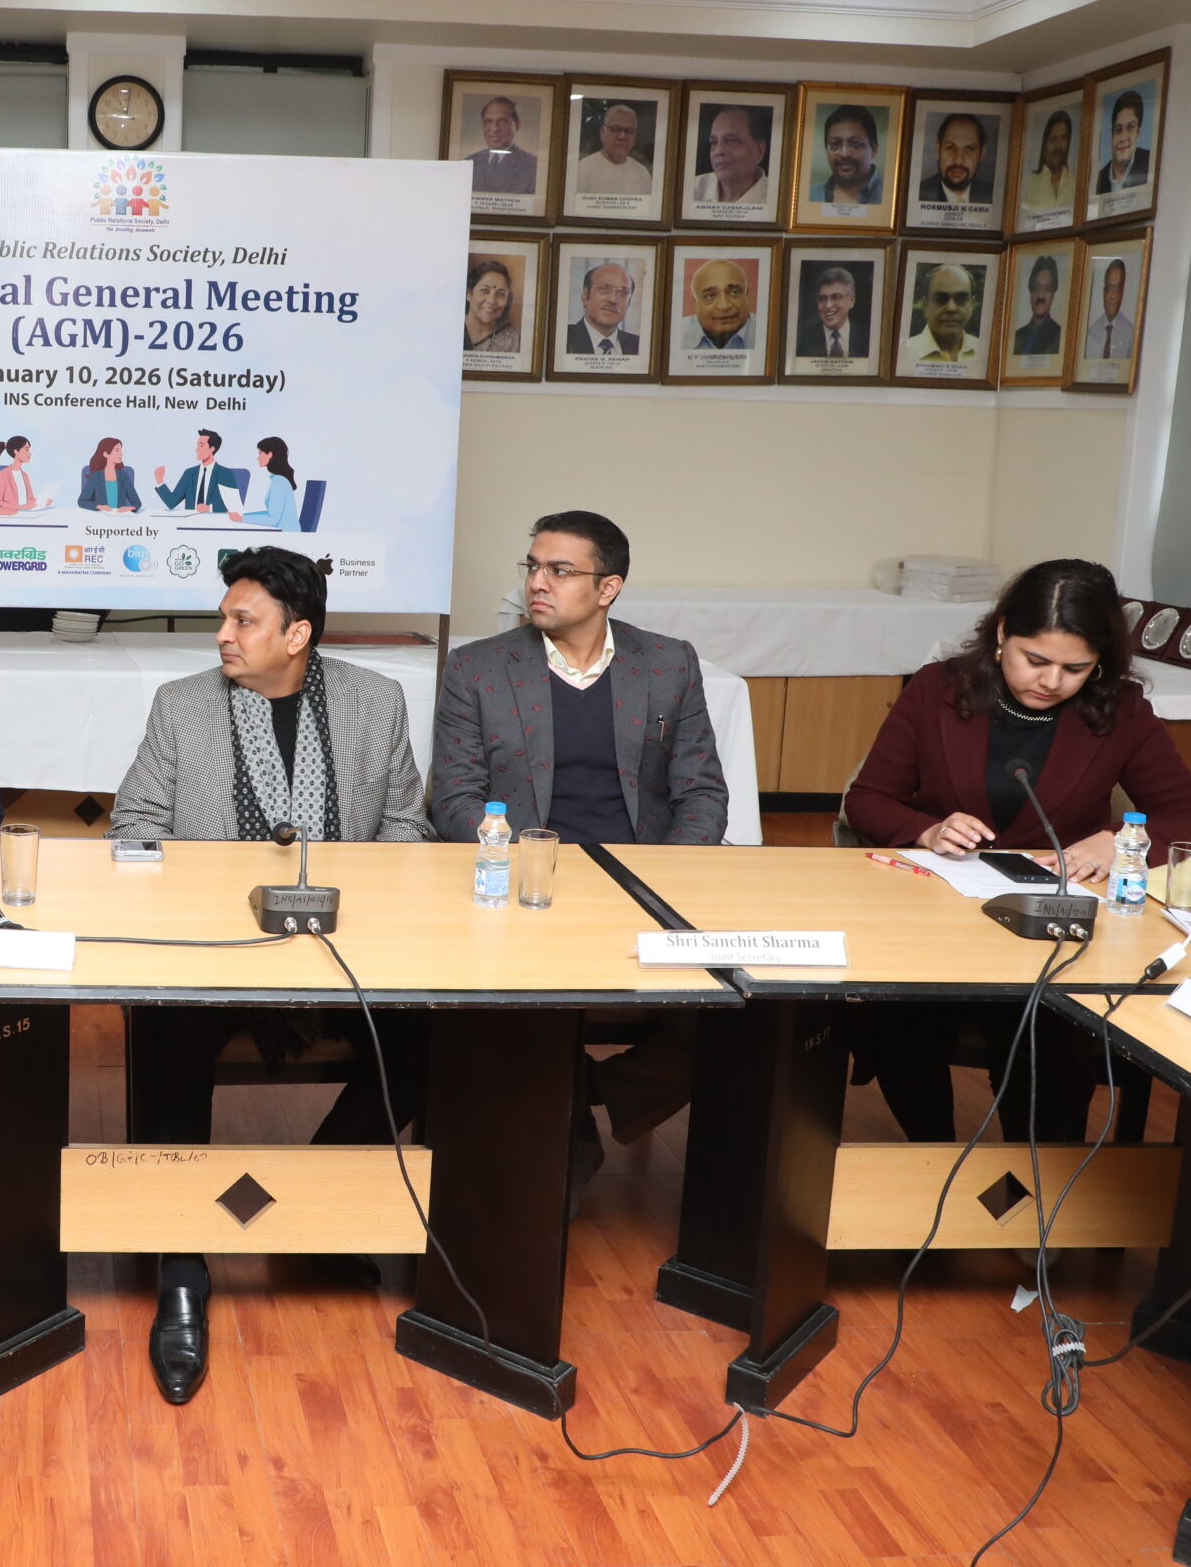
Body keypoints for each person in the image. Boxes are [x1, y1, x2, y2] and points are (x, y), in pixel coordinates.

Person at [113, 545, 433, 1404]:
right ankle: (183, 1263)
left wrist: (353, 897)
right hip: (213, 952)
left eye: (243, 620)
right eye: (224, 617)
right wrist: (200, 897)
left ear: (298, 635)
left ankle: (315, 1193)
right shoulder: (182, 705)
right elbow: (132, 825)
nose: (223, 633)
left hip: (341, 949)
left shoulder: (374, 702)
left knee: (434, 1030)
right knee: (165, 1024)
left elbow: (408, 829)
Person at [843, 559, 1191, 1141]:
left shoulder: (1119, 710)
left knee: (1047, 1045)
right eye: (1035, 660)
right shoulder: (937, 689)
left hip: (1052, 930)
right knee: (906, 1024)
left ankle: (1029, 1173)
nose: (1051, 682)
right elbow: (868, 799)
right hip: (936, 917)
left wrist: (1118, 839)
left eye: (1075, 668)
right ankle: (932, 1157)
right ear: (1002, 633)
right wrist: (928, 830)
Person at [431, 511, 729, 1188]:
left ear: (608, 588)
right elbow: (453, 797)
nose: (538, 582)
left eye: (560, 570)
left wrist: (661, 877)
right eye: (533, 566)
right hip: (524, 891)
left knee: (738, 1013)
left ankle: (591, 1091)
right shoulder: (479, 667)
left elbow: (703, 792)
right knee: (515, 1015)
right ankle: (564, 1150)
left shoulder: (667, 663)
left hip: (641, 886)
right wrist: (518, 865)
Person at [900, 263, 979, 368]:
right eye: (940, 299)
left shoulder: (985, 351)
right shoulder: (902, 354)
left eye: (961, 299)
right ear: (925, 306)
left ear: (972, 305)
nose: (951, 308)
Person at [689, 105, 769, 206]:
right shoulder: (692, 189)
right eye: (713, 142)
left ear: (759, 150)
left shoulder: (777, 198)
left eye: (731, 141)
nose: (718, 151)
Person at [561, 259, 640, 356]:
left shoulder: (638, 345)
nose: (612, 300)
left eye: (623, 292)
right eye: (604, 289)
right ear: (585, 296)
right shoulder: (562, 338)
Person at [153, 428, 242, 513]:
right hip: (190, 521)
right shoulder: (189, 473)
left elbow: (235, 507)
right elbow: (172, 502)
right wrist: (160, 481)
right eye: (197, 445)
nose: (196, 449)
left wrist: (209, 508)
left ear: (212, 448)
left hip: (214, 521)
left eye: (201, 446)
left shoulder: (225, 474)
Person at [464, 95, 537, 195]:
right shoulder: (469, 163)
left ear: (517, 125)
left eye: (502, 122)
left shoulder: (532, 166)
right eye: (488, 121)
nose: (494, 129)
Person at [917, 111, 994, 205]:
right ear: (938, 150)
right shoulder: (918, 194)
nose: (958, 160)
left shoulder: (993, 195)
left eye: (969, 149)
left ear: (981, 154)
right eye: (950, 147)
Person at [678, 258, 755, 350]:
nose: (724, 306)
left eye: (734, 292)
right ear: (696, 304)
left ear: (747, 295)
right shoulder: (676, 333)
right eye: (710, 296)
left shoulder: (765, 330)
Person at [574, 103, 651, 195]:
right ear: (603, 132)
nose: (622, 136)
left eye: (629, 131)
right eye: (615, 129)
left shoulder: (643, 173)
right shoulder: (583, 169)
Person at [226, 436, 301, 531]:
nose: (258, 458)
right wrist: (242, 516)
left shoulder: (279, 483)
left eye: (260, 453)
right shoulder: (279, 480)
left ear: (270, 454)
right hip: (283, 532)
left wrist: (241, 518)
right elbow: (271, 514)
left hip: (285, 535)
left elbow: (272, 519)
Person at [813, 105, 884, 204]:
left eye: (855, 144)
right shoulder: (812, 195)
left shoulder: (889, 196)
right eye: (835, 144)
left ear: (873, 149)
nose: (844, 154)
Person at [795, 265, 866, 360]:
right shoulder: (802, 339)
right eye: (822, 298)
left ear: (851, 301)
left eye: (836, 297)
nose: (828, 305)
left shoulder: (866, 337)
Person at [1094, 88, 1151, 193]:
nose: (1123, 137)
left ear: (1138, 132)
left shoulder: (1150, 163)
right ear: (1112, 134)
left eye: (1130, 127)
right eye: (1118, 129)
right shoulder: (1099, 179)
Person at [462, 257, 519, 353]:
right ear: (469, 294)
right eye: (485, 290)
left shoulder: (514, 339)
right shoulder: (450, 328)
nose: (492, 301)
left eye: (501, 294)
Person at [1021, 109, 1074, 212]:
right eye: (1053, 139)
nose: (1058, 146)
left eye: (1063, 138)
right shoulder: (1031, 183)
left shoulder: (1076, 183)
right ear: (1045, 144)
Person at [1012, 254, 1063, 356]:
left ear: (1052, 296)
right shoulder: (1017, 337)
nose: (1040, 295)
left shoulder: (1060, 336)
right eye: (1036, 287)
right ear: (1030, 293)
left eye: (1047, 289)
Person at [1083, 258, 1135, 359]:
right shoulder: (1090, 333)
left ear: (1123, 292)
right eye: (1110, 288)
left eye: (1118, 289)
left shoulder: (1131, 335)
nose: (1113, 296)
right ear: (1104, 291)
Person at [77, 436, 141, 512]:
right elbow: (82, 501)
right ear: (106, 454)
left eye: (121, 451)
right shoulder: (96, 476)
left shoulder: (123, 476)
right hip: (100, 516)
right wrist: (99, 506)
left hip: (119, 517)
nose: (121, 454)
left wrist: (129, 508)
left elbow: (137, 502)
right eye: (117, 450)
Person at [0, 435, 37, 514]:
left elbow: (30, 499)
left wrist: (41, 502)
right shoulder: (2, 475)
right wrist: (19, 507)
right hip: (11, 516)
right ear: (16, 451)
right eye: (26, 449)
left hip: (26, 514)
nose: (30, 454)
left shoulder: (25, 475)